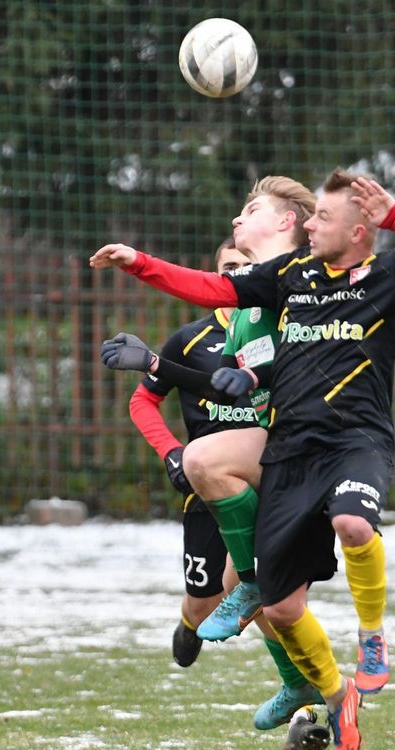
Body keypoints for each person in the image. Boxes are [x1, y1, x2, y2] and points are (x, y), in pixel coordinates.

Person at [90, 169, 395, 750]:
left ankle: (369, 639)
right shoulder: (285, 278)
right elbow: (215, 300)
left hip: (351, 442)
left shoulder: (387, 275)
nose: (309, 226)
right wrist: (140, 263)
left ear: (349, 228)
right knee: (275, 607)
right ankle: (328, 692)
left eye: (322, 219)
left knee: (352, 525)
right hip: (287, 450)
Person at [103, 177, 329, 736]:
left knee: (264, 591)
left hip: (306, 453)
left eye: (249, 210)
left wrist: (139, 267)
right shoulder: (242, 320)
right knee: (264, 602)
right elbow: (231, 385)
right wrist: (158, 365)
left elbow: (293, 368)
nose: (236, 220)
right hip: (254, 460)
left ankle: (338, 695)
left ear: (284, 225)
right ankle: (305, 688)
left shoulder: (304, 281)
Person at [113, 238, 249, 668]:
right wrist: (172, 452)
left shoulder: (284, 334)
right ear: (216, 275)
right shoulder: (190, 341)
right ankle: (189, 623)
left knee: (268, 591)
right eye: (231, 264)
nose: (241, 271)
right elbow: (142, 401)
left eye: (251, 264)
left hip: (268, 478)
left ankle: (305, 699)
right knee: (206, 602)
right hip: (205, 484)